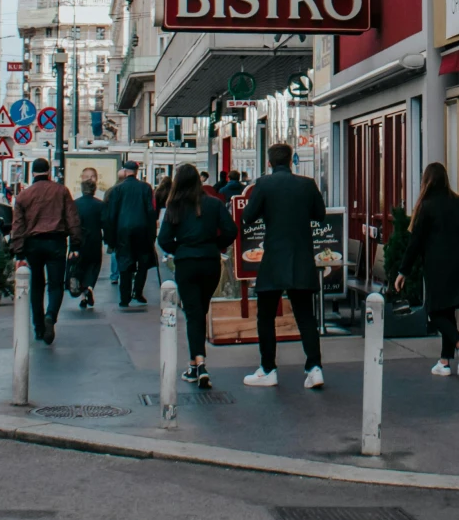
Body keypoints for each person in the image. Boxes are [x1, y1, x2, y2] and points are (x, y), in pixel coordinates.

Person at [238, 143, 327, 390]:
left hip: (274, 258)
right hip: (301, 257)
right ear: (291, 161)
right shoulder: (307, 184)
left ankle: (268, 369)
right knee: (305, 316)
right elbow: (320, 214)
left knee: (265, 316)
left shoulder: (263, 184)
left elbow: (248, 217)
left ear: (269, 163)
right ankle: (314, 367)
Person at [395, 162, 459, 377]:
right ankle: (444, 363)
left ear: (427, 181)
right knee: (447, 311)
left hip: (437, 268)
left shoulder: (426, 206)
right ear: (446, 179)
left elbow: (415, 243)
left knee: (433, 312)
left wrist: (403, 272)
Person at [156, 163, 234, 389]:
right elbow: (231, 230)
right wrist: (216, 246)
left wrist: (178, 249)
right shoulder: (214, 204)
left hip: (186, 262)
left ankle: (199, 364)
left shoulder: (175, 206)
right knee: (201, 309)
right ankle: (195, 363)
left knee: (193, 313)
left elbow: (163, 240)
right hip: (210, 261)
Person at [8, 159, 76, 344]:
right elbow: (72, 218)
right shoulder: (61, 191)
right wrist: (76, 244)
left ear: (33, 173)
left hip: (33, 245)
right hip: (56, 242)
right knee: (56, 285)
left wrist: (19, 252)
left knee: (37, 286)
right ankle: (51, 316)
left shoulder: (23, 195)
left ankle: (38, 327)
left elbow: (18, 226)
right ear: (48, 171)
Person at [102, 160, 157, 308]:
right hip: (142, 229)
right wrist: (152, 234)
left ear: (125, 172)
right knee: (143, 262)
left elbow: (111, 215)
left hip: (123, 230)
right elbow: (151, 211)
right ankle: (138, 291)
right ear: (137, 172)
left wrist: (110, 239)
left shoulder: (117, 189)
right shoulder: (145, 188)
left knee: (125, 262)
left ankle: (124, 296)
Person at [71, 168, 105, 311]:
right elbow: (104, 222)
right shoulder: (100, 204)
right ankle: (89, 287)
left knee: (80, 266)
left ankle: (83, 294)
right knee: (94, 265)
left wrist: (72, 246)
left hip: (79, 240)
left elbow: (72, 224)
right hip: (95, 239)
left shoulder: (75, 203)